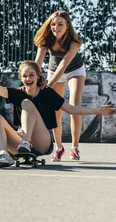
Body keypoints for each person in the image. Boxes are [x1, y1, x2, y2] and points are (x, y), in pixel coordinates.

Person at [0, 47, 116, 168]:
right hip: (19, 143)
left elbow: (71, 109)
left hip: (43, 142)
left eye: (31, 75)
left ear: (38, 76)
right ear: (20, 78)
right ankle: (3, 154)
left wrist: (97, 110)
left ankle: (26, 141)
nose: (28, 78)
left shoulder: (47, 93)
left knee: (26, 103)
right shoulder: (17, 93)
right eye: (24, 76)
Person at [34, 10, 86, 162]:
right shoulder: (46, 39)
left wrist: (48, 86)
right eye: (53, 24)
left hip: (75, 71)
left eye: (60, 24)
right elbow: (38, 62)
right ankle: (58, 147)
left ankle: (75, 147)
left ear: (67, 26)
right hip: (53, 71)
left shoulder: (75, 41)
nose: (56, 27)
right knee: (55, 111)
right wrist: (34, 83)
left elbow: (63, 65)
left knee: (74, 107)